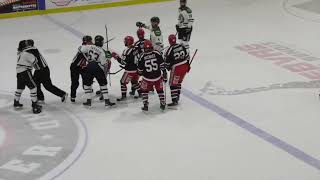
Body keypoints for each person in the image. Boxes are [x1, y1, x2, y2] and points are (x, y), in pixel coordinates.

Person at [27, 39, 68, 103]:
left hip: (43, 70)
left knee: (48, 86)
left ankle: (63, 94)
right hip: (38, 70)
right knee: (35, 84)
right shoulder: (31, 50)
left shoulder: (33, 50)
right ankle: (40, 98)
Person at [81, 35, 115, 107]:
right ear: (101, 42)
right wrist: (108, 58)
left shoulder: (89, 46)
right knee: (103, 84)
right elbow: (104, 63)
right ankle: (107, 101)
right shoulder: (102, 52)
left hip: (89, 66)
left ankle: (88, 101)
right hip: (97, 67)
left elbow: (82, 49)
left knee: (87, 84)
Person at [137, 40, 167, 111]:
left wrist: (140, 72)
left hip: (147, 78)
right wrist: (164, 73)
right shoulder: (157, 53)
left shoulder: (142, 56)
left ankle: (145, 105)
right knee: (160, 91)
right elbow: (162, 65)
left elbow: (140, 71)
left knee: (144, 91)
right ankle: (162, 102)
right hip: (158, 77)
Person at [14, 40, 42, 114]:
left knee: (20, 88)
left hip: (19, 73)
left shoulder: (20, 54)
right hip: (25, 72)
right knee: (33, 87)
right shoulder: (27, 54)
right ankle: (35, 105)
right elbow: (35, 61)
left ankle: (16, 102)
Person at [164, 34, 190, 106]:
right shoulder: (182, 46)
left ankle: (175, 100)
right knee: (178, 82)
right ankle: (177, 96)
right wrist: (188, 65)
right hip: (184, 66)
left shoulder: (169, 50)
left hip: (176, 68)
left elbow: (166, 63)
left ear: (169, 41)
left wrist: (168, 68)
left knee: (172, 84)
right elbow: (187, 56)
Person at [112, 36, 140, 101]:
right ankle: (140, 93)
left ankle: (124, 96)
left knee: (122, 82)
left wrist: (116, 57)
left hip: (130, 70)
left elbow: (123, 62)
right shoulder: (137, 48)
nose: (124, 42)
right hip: (137, 70)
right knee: (134, 81)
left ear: (128, 42)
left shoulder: (127, 51)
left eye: (125, 41)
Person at [70, 35, 93, 103]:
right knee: (75, 83)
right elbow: (88, 59)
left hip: (83, 67)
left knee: (87, 79)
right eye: (90, 41)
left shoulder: (87, 47)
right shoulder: (83, 48)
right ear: (86, 41)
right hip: (75, 67)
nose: (91, 42)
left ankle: (87, 89)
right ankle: (72, 96)